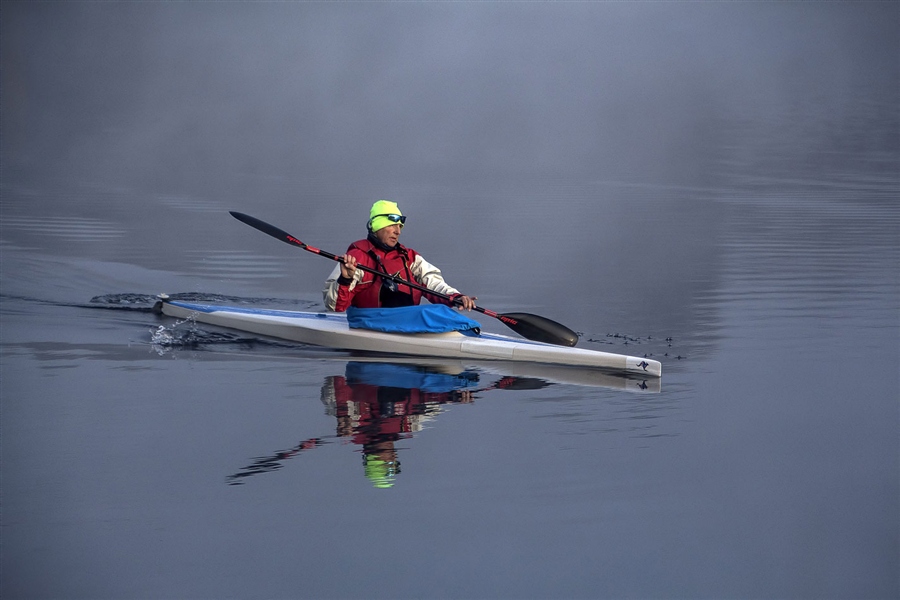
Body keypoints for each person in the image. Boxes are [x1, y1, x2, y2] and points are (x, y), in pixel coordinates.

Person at [323, 200, 476, 312]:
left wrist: (456, 297)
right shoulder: (354, 259)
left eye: (400, 226)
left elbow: (434, 284)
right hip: (368, 324)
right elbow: (334, 306)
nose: (398, 231)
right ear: (377, 227)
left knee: (441, 313)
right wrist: (345, 279)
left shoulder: (410, 258)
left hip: (406, 323)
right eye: (392, 225)